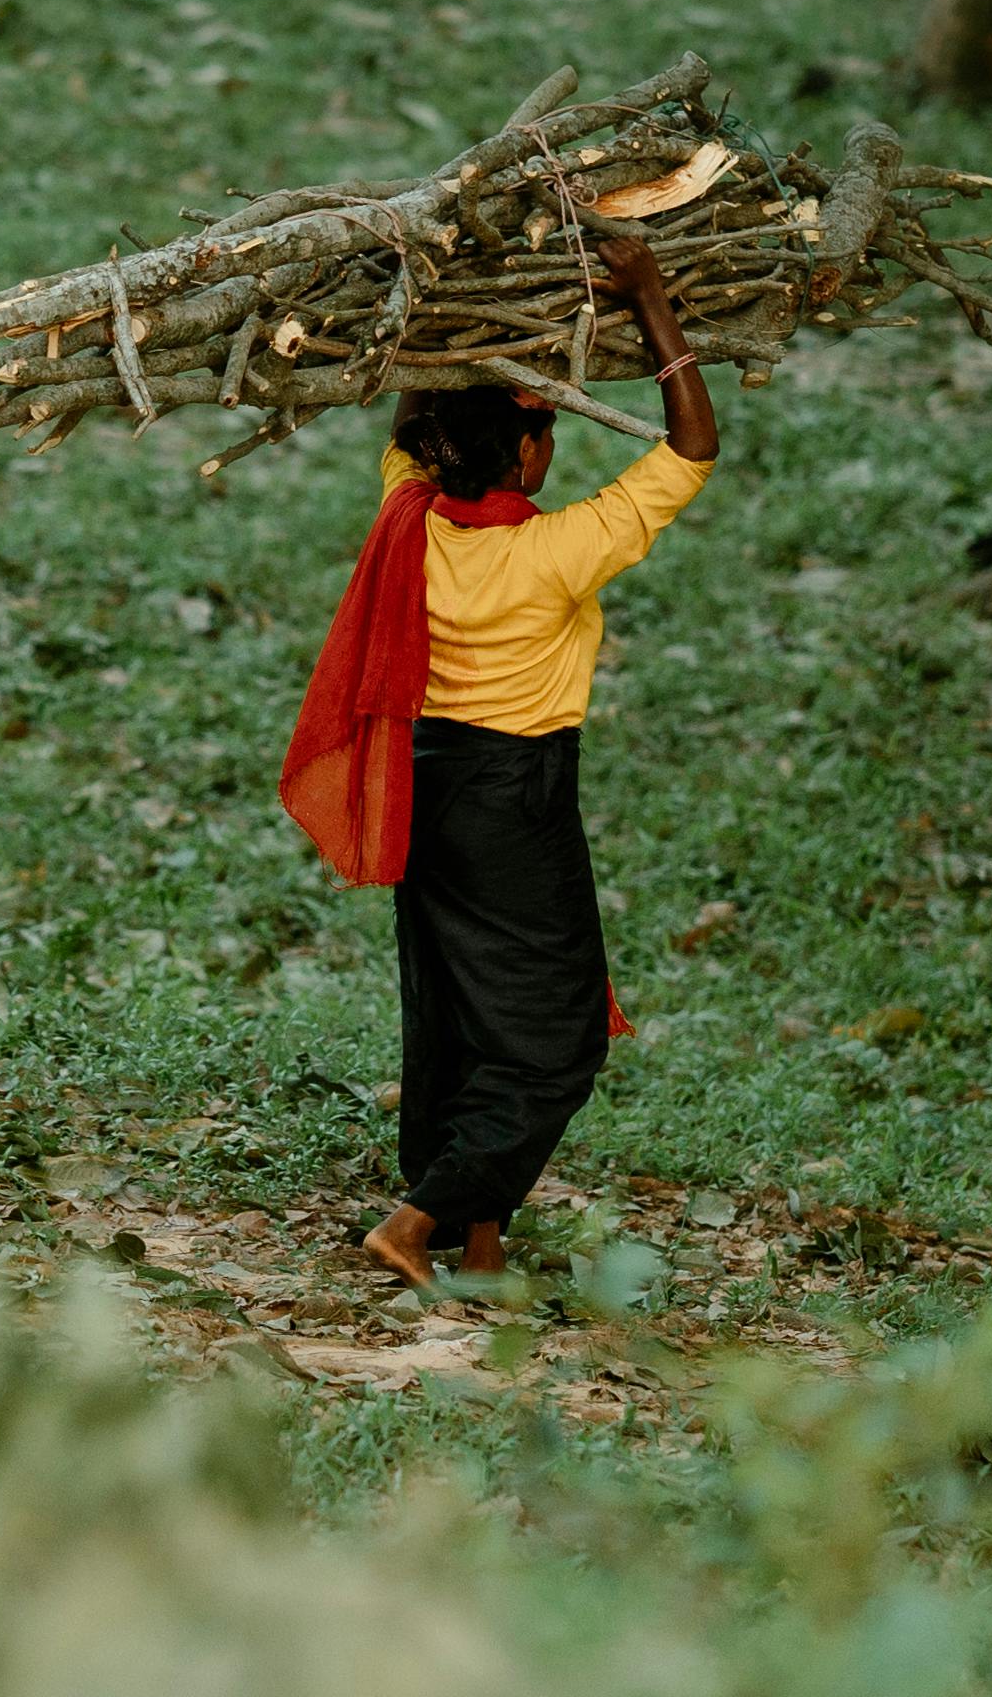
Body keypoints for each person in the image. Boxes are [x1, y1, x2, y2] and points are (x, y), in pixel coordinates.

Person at [273, 230, 719, 1290]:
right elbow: (691, 445)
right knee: (557, 1039)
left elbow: (406, 427)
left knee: (455, 1005)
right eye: (544, 430)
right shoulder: (552, 552)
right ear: (521, 453)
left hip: (422, 786)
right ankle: (416, 1220)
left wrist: (438, 318)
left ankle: (483, 1238)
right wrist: (650, 298)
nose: (549, 448)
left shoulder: (405, 517)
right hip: (514, 799)